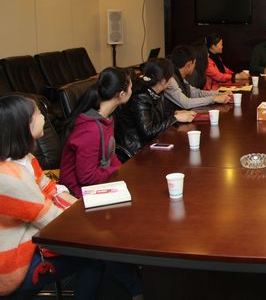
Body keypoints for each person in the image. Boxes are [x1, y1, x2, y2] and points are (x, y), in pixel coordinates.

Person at [0, 95, 104, 298]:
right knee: (95, 255)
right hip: (12, 261)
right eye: (39, 113)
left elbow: (51, 190)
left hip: (32, 239)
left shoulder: (26, 159)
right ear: (25, 125)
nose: (44, 118)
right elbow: (52, 221)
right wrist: (92, 220)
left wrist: (83, 207)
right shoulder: (10, 178)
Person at [59, 67, 132, 198]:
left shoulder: (106, 117)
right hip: (78, 194)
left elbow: (110, 155)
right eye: (131, 88)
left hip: (97, 184)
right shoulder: (91, 130)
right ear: (122, 94)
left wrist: (123, 172)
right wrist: (118, 171)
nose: (132, 91)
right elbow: (87, 177)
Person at [115, 58, 195, 156]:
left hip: (152, 143)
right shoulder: (140, 96)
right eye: (171, 77)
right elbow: (148, 132)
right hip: (138, 150)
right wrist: (175, 118)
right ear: (163, 81)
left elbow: (157, 116)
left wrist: (175, 113)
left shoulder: (156, 90)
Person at [165, 44, 232, 111]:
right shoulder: (170, 80)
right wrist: (213, 99)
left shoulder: (179, 75)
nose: (195, 66)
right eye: (194, 63)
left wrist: (219, 93)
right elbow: (186, 103)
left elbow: (195, 93)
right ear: (189, 65)